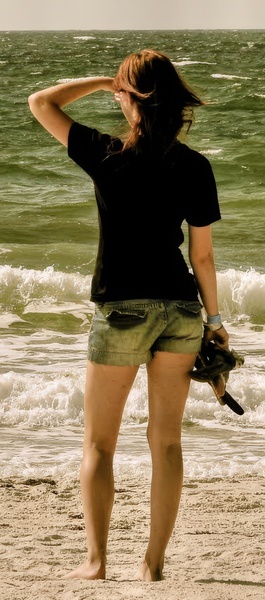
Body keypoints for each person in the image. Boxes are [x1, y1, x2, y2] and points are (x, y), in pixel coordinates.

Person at [28, 49, 229, 582]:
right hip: (183, 311)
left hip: (121, 310)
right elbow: (202, 256)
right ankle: (153, 564)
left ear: (131, 98)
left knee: (98, 443)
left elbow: (40, 101)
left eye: (122, 91)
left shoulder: (106, 152)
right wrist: (214, 321)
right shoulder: (195, 165)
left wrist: (101, 82)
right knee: (166, 442)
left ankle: (95, 563)